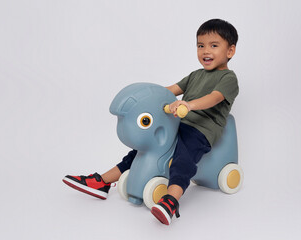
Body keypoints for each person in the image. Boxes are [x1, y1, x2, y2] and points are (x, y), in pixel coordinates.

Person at [63, 18, 239, 225]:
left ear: (230, 51)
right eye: (201, 46)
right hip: (180, 123)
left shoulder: (228, 78)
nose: (205, 51)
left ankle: (171, 201)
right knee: (142, 149)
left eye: (214, 45)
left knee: (184, 158)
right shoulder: (195, 75)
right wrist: (149, 97)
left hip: (201, 130)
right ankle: (102, 181)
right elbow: (168, 91)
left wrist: (189, 105)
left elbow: (214, 98)